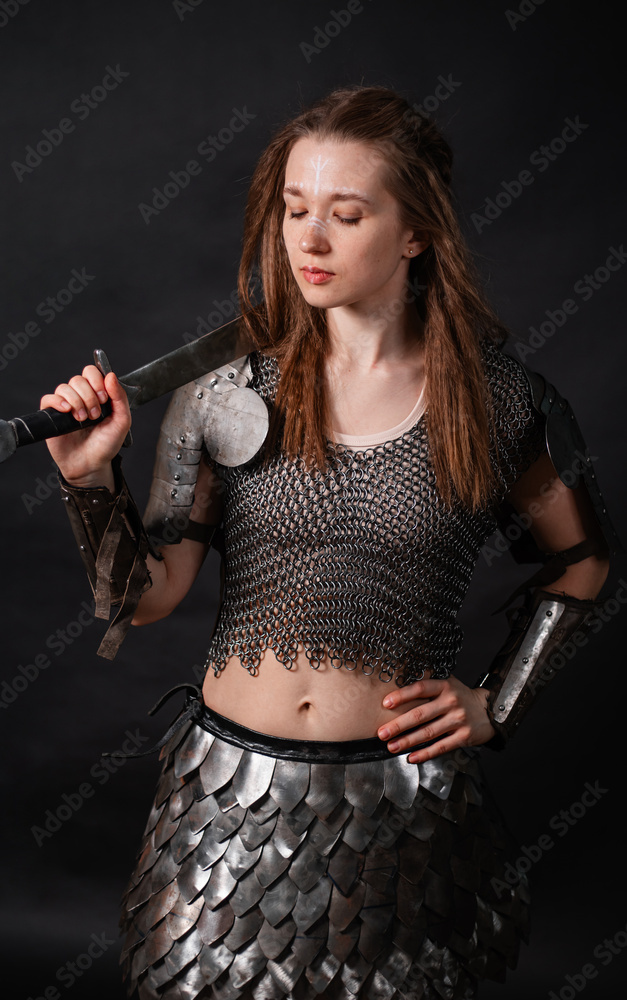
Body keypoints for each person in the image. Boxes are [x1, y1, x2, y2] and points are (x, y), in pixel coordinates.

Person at [41, 86, 618, 999]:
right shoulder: (222, 394)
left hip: (402, 812)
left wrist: (497, 700)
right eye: (293, 210)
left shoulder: (498, 402)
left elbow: (586, 559)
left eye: (345, 216)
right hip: (226, 809)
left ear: (416, 233)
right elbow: (142, 598)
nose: (308, 241)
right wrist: (87, 480)